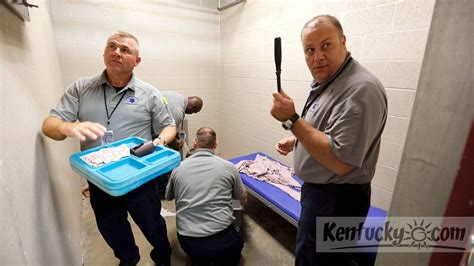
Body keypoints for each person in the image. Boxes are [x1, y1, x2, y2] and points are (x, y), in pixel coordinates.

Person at [42, 31, 175, 266]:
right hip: (100, 179)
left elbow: (168, 126)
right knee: (111, 228)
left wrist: (159, 142)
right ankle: (128, 258)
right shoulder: (82, 88)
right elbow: (49, 125)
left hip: (140, 178)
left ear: (137, 61)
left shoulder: (149, 93)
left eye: (125, 50)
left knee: (153, 225)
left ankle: (162, 257)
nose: (116, 52)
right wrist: (67, 127)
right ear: (104, 52)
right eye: (112, 47)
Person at [270, 15, 387, 266]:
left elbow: (340, 160)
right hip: (322, 196)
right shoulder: (331, 80)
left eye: (326, 45)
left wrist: (292, 119)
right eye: (309, 50)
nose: (317, 56)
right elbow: (327, 129)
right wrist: (296, 141)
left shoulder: (359, 89)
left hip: (336, 201)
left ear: (343, 41)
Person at [165, 127, 247, 266]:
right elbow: (241, 198)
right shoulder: (228, 167)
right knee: (233, 252)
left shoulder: (177, 168)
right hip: (222, 239)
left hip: (189, 241)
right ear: (215, 145)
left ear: (195, 143)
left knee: (199, 259)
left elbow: (168, 197)